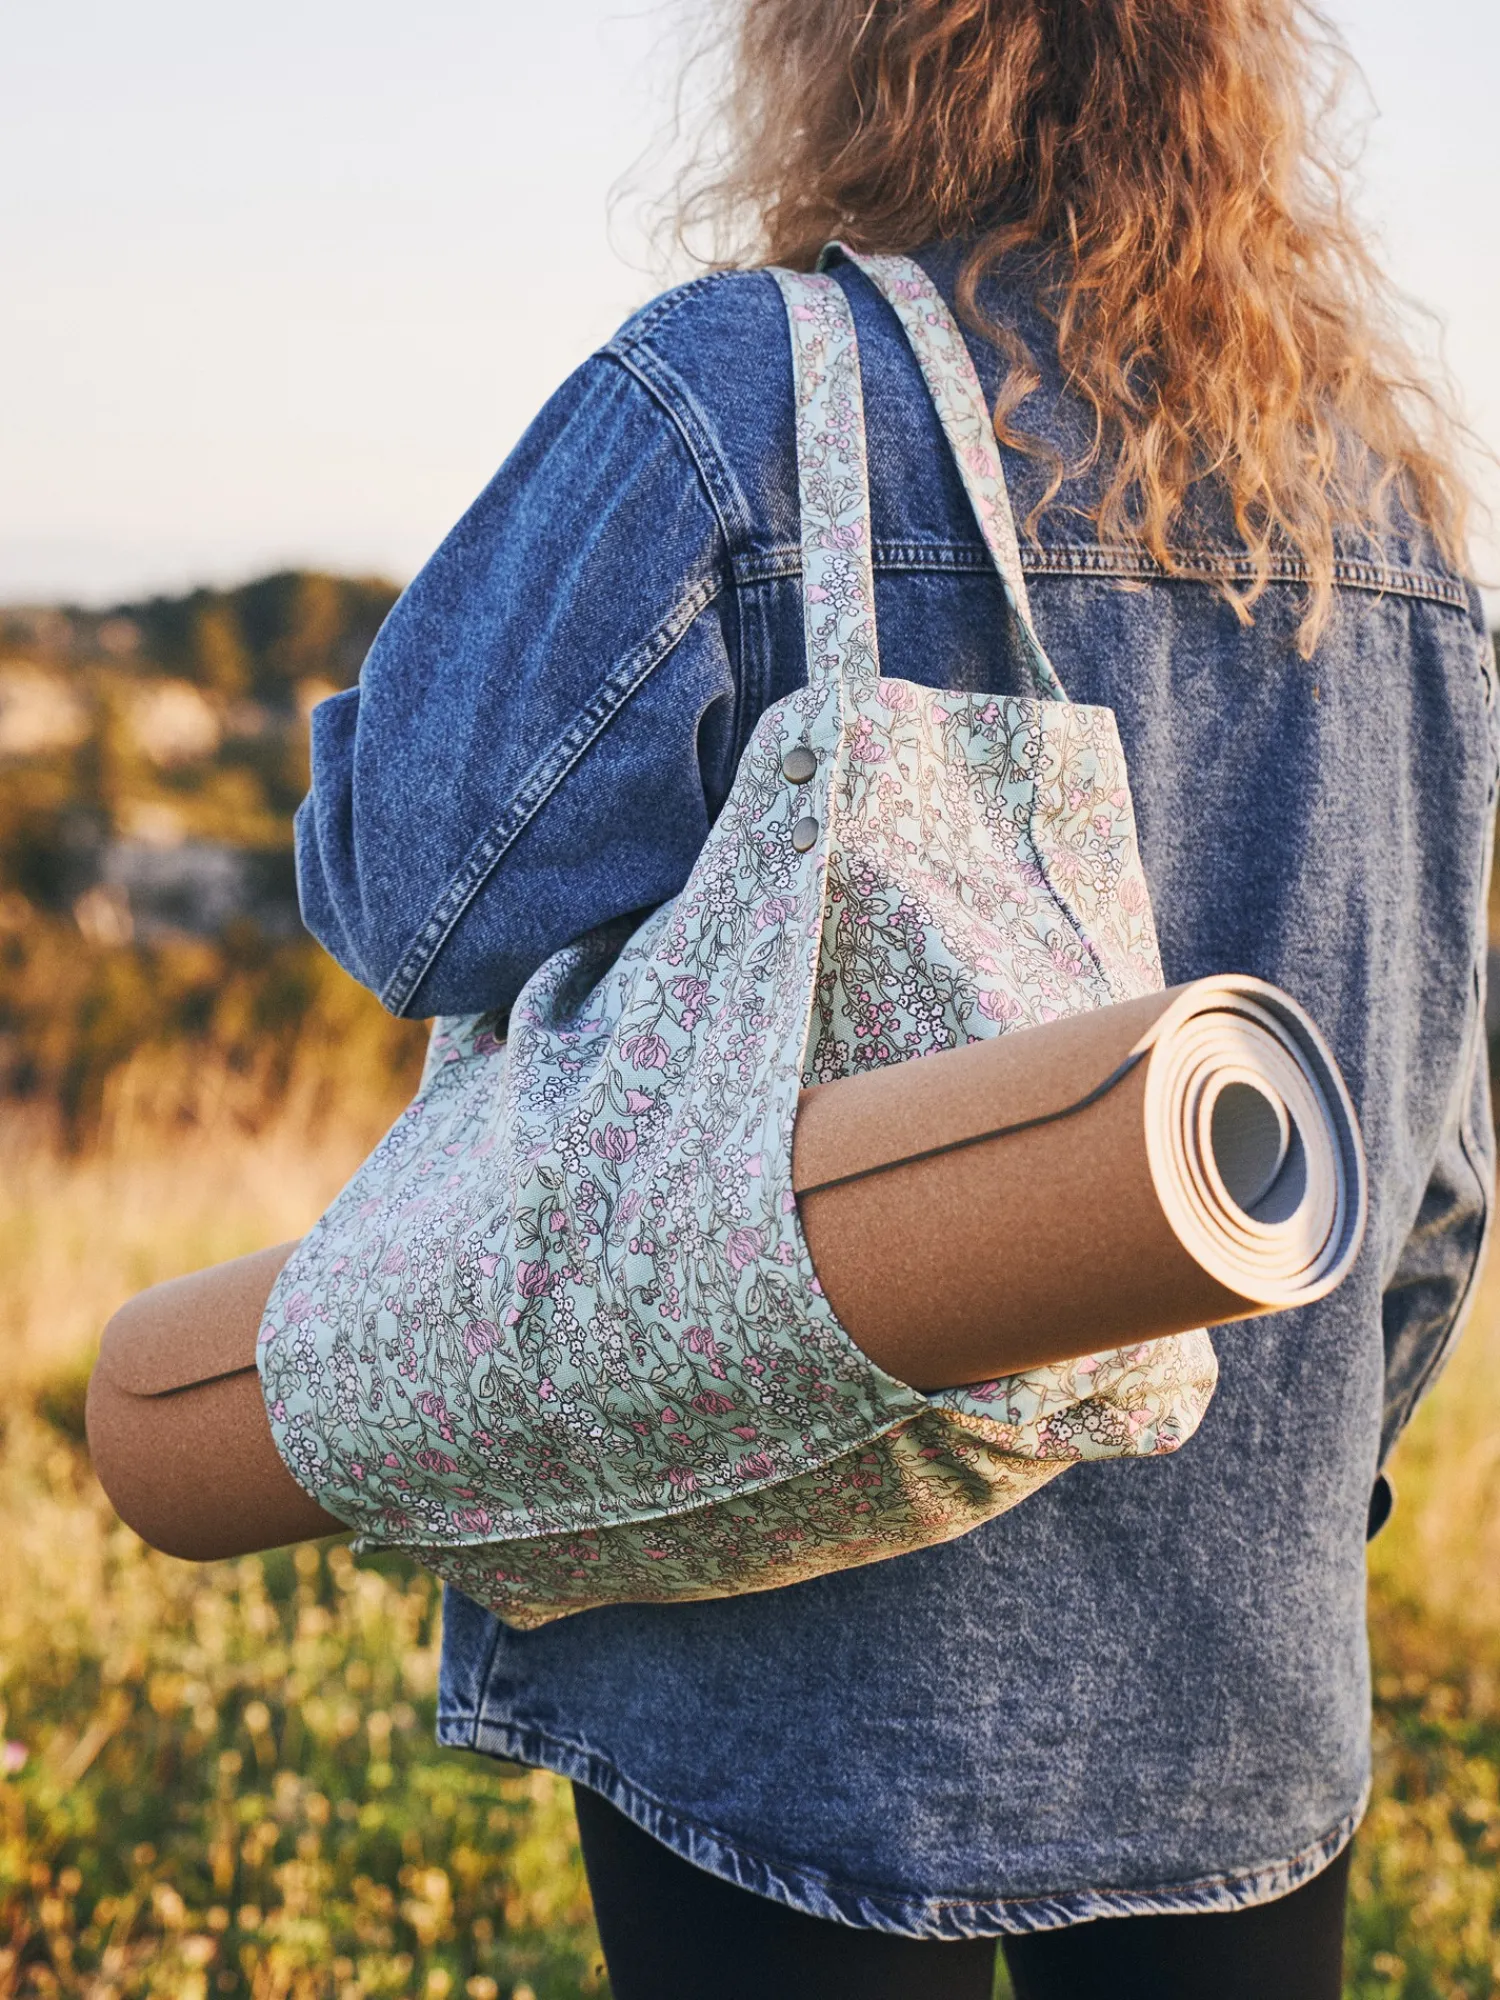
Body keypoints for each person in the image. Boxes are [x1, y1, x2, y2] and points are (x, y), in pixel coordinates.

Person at [122, 1, 1498, 1993]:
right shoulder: (1382, 508)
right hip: (1235, 1683)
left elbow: (410, 895)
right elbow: (1436, 1161)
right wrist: (1280, 1506)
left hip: (786, 1674)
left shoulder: (740, 398)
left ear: (843, 52)